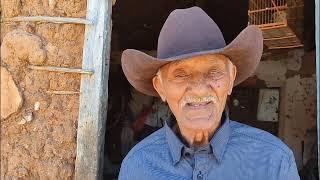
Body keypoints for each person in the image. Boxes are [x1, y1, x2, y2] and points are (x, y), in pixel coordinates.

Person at [119, 7, 300, 180]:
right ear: (160, 87)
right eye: (181, 74)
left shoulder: (274, 160)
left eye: (213, 72)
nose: (199, 89)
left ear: (230, 79)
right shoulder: (137, 165)